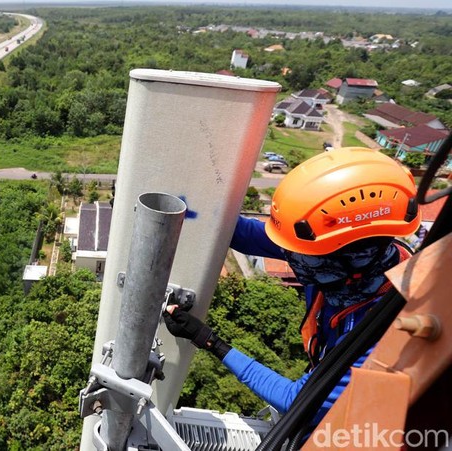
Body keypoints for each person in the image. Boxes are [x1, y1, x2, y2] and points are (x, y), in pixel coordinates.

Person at [164, 147, 420, 423]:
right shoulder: (343, 259)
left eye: (301, 254)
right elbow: (244, 235)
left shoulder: (383, 334)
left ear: (348, 257)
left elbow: (297, 401)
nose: (289, 257)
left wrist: (209, 340)